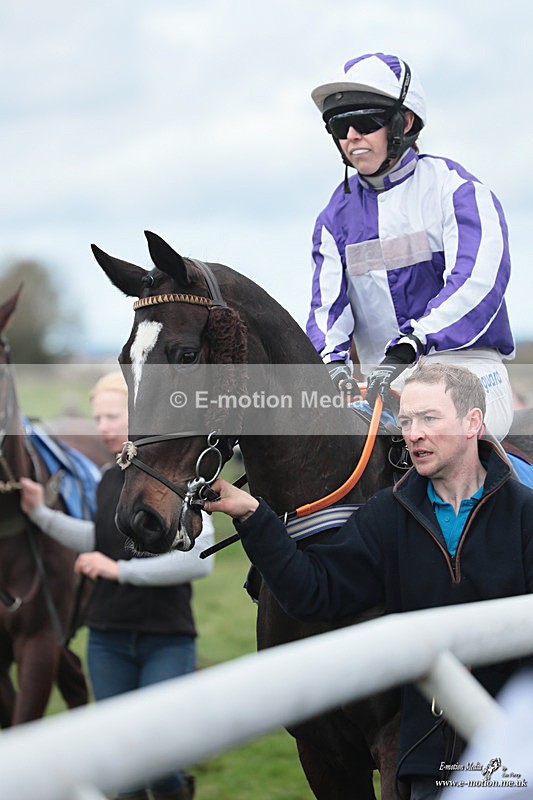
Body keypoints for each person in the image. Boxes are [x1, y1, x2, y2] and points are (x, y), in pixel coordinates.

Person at [202, 362, 533, 799]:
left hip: (514, 753)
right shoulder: (386, 515)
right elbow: (314, 591)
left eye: (430, 418)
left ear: (473, 422)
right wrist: (253, 516)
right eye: (408, 420)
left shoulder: (525, 514)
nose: (413, 433)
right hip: (427, 760)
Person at [20, 371, 215, 800]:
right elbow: (98, 540)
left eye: (112, 417)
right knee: (119, 773)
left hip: (167, 641)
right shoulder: (110, 479)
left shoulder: (178, 479)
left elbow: (203, 562)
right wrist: (40, 515)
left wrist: (118, 571)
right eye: (97, 419)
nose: (103, 428)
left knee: (161, 767)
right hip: (106, 643)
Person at [305, 51, 515, 439]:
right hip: (378, 389)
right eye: (340, 125)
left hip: (468, 371)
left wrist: (411, 345)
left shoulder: (458, 191)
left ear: (404, 122)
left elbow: (478, 283)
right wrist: (333, 367)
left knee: (436, 428)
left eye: (365, 122)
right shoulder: (332, 220)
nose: (352, 137)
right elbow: (326, 313)